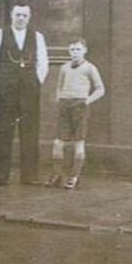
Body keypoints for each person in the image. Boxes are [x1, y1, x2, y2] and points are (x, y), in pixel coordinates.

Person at [0, 0, 49, 185]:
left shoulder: (38, 37)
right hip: (5, 90)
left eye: (24, 15)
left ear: (29, 17)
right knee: (3, 131)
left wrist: (36, 81)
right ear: (11, 15)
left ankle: (30, 176)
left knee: (30, 132)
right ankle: (0, 176)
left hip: (29, 90)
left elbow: (43, 62)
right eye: (18, 15)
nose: (21, 18)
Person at [46, 38, 105, 190]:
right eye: (72, 50)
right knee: (58, 142)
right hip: (65, 106)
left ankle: (74, 176)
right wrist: (60, 99)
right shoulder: (64, 67)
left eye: (78, 49)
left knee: (79, 141)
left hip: (80, 106)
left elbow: (100, 89)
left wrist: (86, 101)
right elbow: (59, 87)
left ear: (85, 50)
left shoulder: (90, 68)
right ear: (68, 51)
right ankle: (57, 174)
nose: (75, 53)